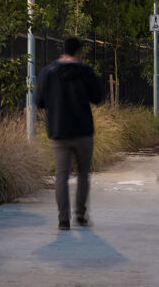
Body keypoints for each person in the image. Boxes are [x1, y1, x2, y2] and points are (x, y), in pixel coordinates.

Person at [36, 37, 103, 230]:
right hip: (83, 132)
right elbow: (97, 97)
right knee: (83, 174)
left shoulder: (48, 73)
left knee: (61, 176)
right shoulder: (86, 72)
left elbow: (39, 101)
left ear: (62, 51)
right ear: (78, 52)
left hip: (59, 131)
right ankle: (80, 213)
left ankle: (63, 219)